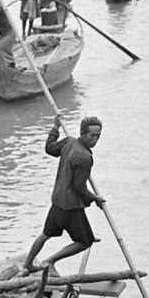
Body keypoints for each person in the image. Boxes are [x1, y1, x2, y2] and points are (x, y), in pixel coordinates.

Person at [25, 116, 105, 271]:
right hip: (70, 206)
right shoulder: (85, 157)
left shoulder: (69, 142)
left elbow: (50, 148)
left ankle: (28, 264)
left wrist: (55, 128)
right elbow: (79, 188)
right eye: (92, 136)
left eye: (98, 136)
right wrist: (95, 198)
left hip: (57, 200)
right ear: (82, 134)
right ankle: (50, 260)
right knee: (84, 242)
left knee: (46, 234)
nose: (95, 140)